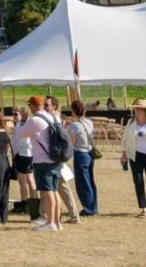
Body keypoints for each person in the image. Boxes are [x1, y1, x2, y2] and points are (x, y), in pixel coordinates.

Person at [17, 95, 61, 231]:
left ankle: (51, 222)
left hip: (43, 160)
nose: (29, 108)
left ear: (34, 106)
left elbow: (20, 134)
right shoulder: (52, 117)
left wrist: (21, 121)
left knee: (47, 192)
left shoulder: (34, 120)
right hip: (55, 158)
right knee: (54, 191)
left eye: (30, 106)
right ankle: (57, 222)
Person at [46, 96, 79, 224]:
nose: (45, 107)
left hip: (56, 157)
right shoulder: (52, 117)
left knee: (60, 186)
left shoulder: (55, 118)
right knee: (57, 187)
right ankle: (60, 214)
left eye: (47, 104)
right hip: (54, 157)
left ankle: (72, 215)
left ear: (54, 106)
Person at [68, 99, 98, 217]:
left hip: (80, 154)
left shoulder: (75, 126)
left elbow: (72, 142)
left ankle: (89, 209)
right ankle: (93, 206)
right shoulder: (89, 122)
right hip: (90, 153)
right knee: (90, 181)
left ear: (73, 112)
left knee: (83, 183)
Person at [11, 107, 37, 215]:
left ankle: (24, 203)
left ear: (22, 115)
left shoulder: (19, 126)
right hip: (31, 154)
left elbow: (18, 143)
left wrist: (14, 154)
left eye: (16, 114)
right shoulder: (30, 124)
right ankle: (34, 202)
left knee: (22, 181)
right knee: (30, 179)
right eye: (13, 114)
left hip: (23, 154)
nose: (14, 116)